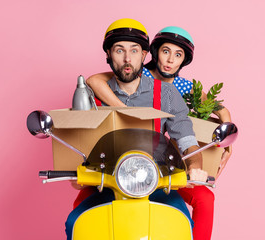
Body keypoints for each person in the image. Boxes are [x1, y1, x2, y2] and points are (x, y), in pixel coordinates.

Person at [66, 18, 208, 240]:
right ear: (108, 55)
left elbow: (188, 141)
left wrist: (195, 166)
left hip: (157, 184)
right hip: (105, 184)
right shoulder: (90, 97)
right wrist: (74, 169)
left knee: (182, 226)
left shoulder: (168, 94)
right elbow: (78, 141)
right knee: (75, 223)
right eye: (119, 50)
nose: (126, 59)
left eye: (134, 51)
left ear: (143, 55)